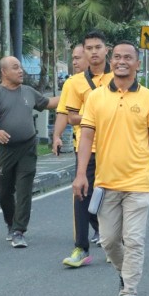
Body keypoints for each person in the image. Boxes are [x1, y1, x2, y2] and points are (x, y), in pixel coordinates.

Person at [72, 41, 149, 296]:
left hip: (138, 182)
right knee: (110, 241)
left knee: (134, 240)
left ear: (138, 64)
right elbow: (86, 137)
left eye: (128, 57)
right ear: (111, 62)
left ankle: (129, 294)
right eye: (117, 57)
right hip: (106, 183)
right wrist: (80, 175)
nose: (121, 61)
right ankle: (126, 275)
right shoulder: (96, 98)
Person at [0, 57, 58, 248]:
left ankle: (19, 230)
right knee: (4, 190)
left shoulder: (28, 92)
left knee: (24, 189)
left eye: (21, 67)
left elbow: (49, 103)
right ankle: (10, 223)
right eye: (15, 68)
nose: (21, 71)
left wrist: (75, 94)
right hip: (5, 150)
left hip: (27, 147)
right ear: (4, 72)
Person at [57, 31, 114, 268]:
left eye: (97, 47)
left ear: (106, 49)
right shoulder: (74, 83)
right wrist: (95, 117)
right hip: (87, 147)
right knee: (81, 195)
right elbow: (71, 117)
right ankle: (81, 247)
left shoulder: (117, 77)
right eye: (88, 47)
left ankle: (113, 243)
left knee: (113, 197)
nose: (93, 52)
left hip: (113, 146)